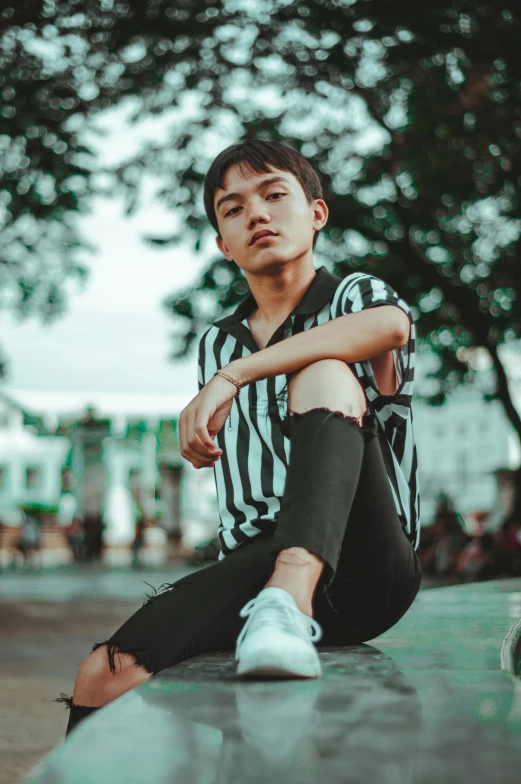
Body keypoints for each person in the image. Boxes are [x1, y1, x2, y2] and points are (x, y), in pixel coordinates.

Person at [55, 139, 422, 737]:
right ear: (224, 245)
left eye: (276, 195)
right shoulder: (217, 343)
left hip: (365, 563)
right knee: (105, 672)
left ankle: (288, 602)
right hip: (255, 558)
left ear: (317, 214)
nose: (257, 214)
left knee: (324, 371)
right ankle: (273, 604)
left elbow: (390, 326)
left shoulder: (353, 297)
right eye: (233, 208)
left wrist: (237, 377)